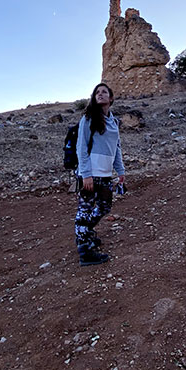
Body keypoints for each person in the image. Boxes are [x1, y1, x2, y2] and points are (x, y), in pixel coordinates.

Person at [74, 83, 125, 266]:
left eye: (104, 92)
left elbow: (116, 148)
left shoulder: (114, 122)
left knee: (104, 207)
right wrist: (85, 174)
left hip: (105, 174)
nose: (100, 94)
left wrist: (120, 171)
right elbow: (81, 147)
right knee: (84, 211)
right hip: (89, 174)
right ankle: (85, 251)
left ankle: (85, 234)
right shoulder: (88, 118)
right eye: (97, 92)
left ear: (111, 98)